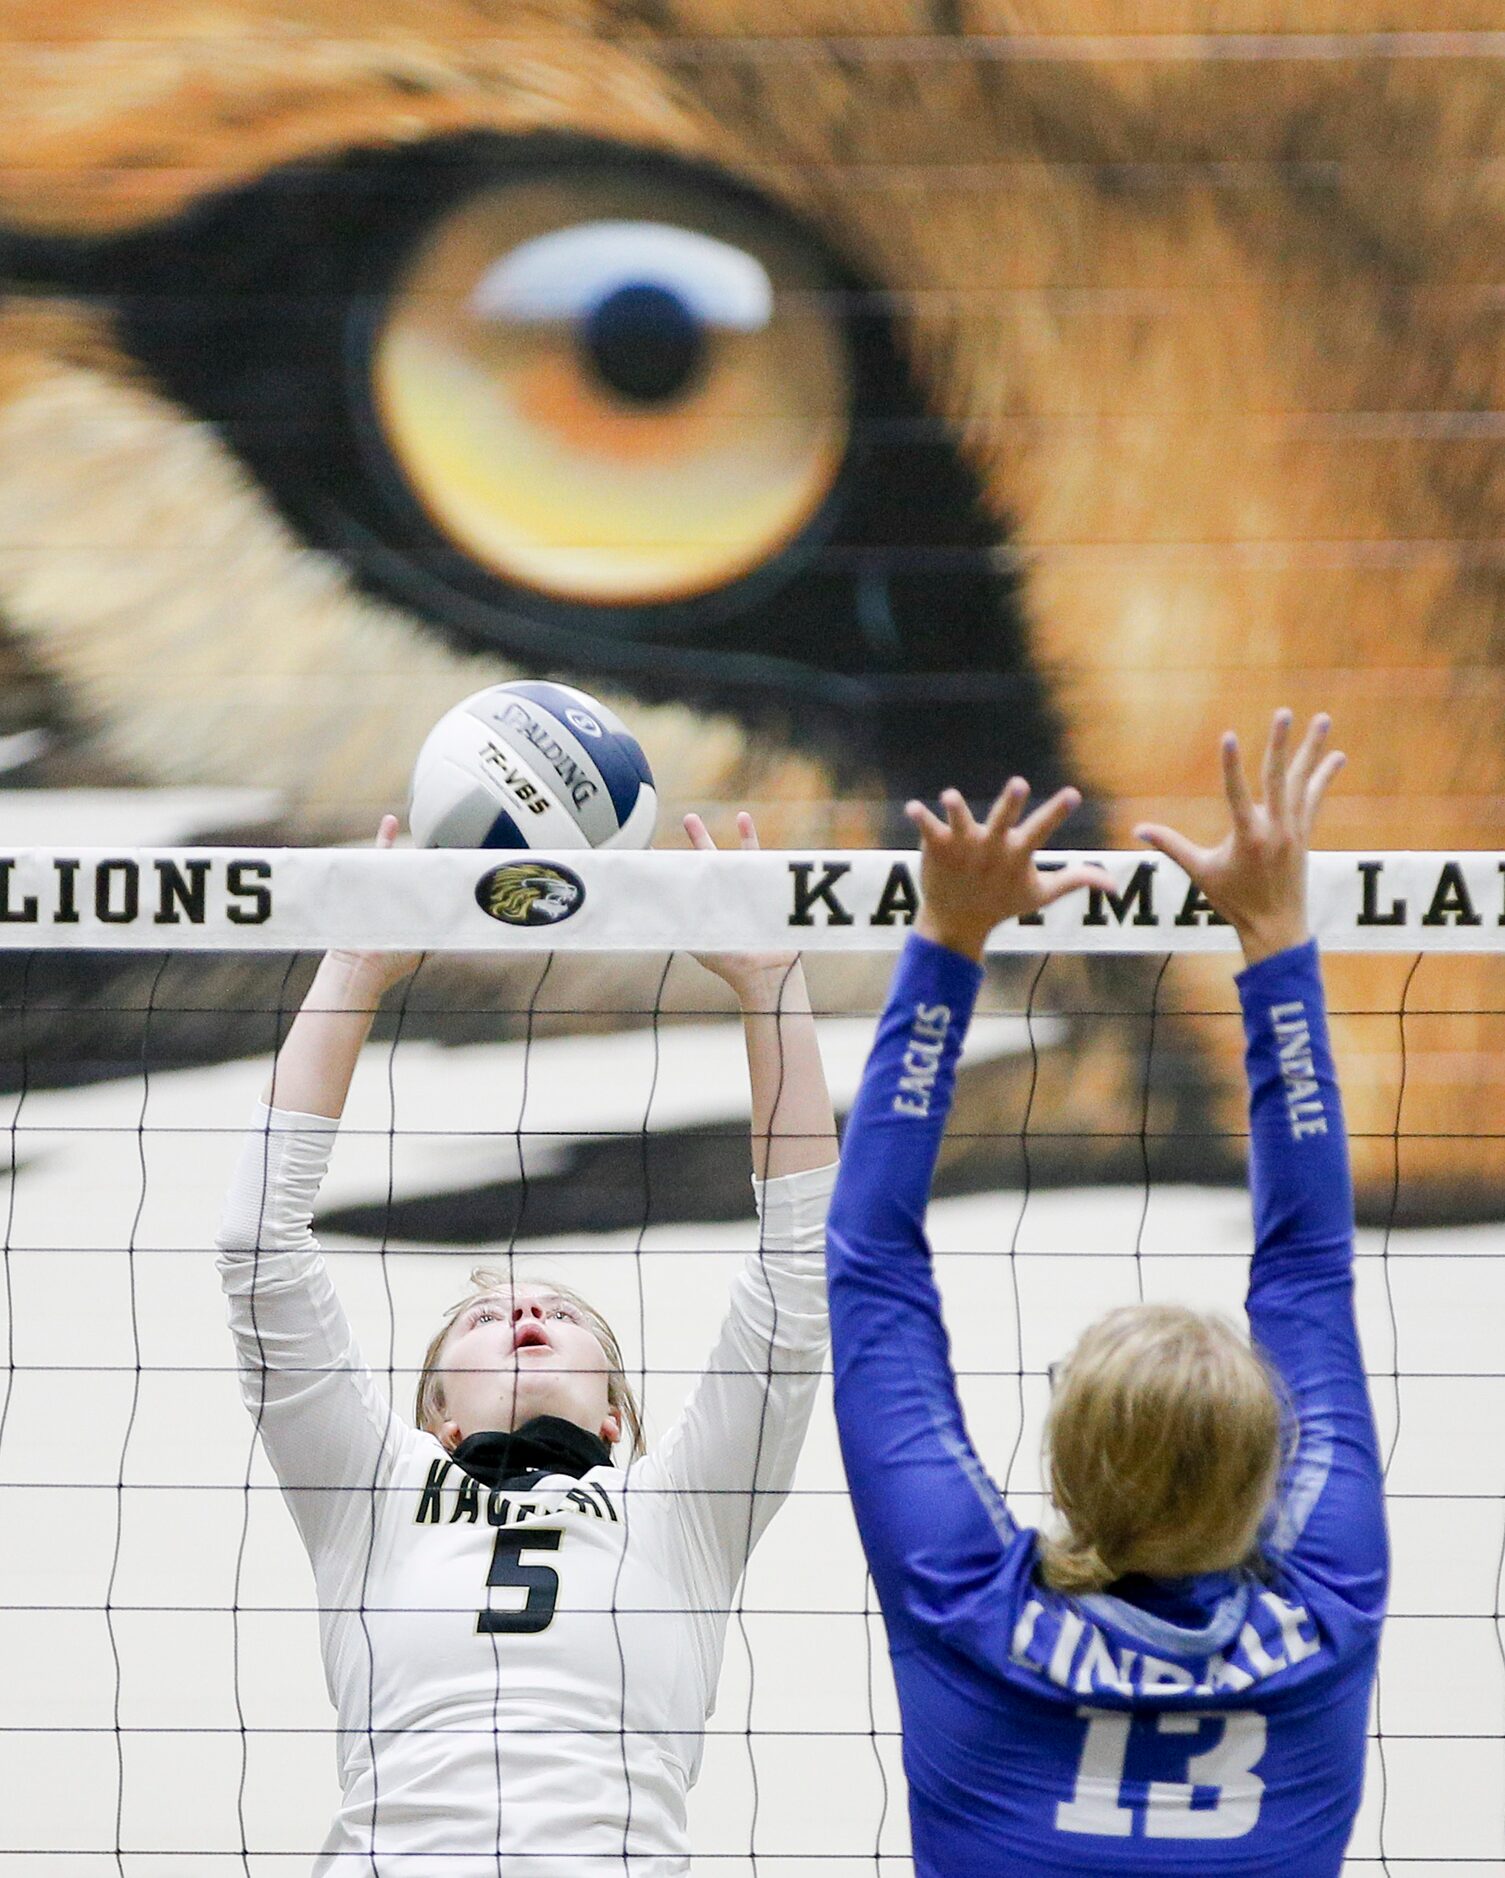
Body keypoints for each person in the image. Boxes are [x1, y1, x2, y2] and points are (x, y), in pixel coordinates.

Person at [216, 811, 838, 1877]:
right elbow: (256, 1249)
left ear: (613, 1415)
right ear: (435, 1417)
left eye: (564, 1317)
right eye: (478, 1320)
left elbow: (800, 1270)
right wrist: (357, 962)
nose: (522, 1313)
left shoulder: (681, 1512)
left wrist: (770, 984)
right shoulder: (371, 1495)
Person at [826, 710, 1385, 1875]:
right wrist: (1277, 936)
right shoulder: (1322, 1609)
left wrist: (947, 940)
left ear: (1070, 1462)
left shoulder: (971, 1609)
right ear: (1266, 1465)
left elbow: (870, 1256)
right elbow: (1307, 1268)